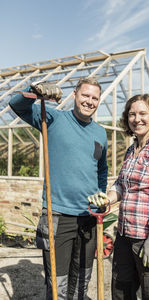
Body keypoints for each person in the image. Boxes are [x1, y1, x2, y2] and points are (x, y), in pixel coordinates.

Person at [9, 77, 108, 300]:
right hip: (58, 216)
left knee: (82, 280)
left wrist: (101, 194)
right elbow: (17, 105)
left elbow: (101, 170)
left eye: (95, 98)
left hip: (89, 218)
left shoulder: (100, 133)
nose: (89, 101)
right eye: (85, 95)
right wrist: (33, 90)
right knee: (58, 286)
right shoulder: (53, 117)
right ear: (75, 94)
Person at [88, 94, 149, 300]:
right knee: (122, 291)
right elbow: (122, 184)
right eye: (132, 114)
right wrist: (108, 198)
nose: (137, 119)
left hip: (148, 237)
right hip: (125, 234)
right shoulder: (132, 150)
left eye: (142, 113)